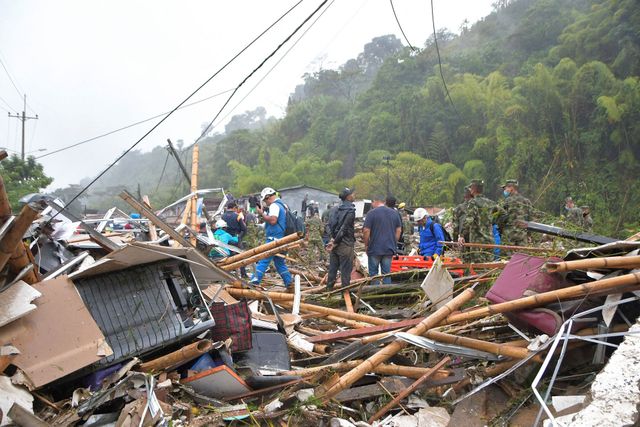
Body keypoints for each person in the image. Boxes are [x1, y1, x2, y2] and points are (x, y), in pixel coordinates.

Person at [250, 187, 293, 290]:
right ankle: (289, 283)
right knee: (279, 263)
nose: (265, 203)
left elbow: (273, 220)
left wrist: (262, 214)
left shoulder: (274, 206)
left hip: (274, 239)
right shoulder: (283, 205)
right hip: (281, 238)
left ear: (268, 197)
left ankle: (254, 282)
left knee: (264, 260)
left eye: (265, 200)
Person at [363, 196, 402, 284]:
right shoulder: (394, 213)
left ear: (375, 201)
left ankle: (376, 294)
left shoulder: (371, 213)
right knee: (386, 274)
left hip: (374, 249)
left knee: (374, 274)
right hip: (388, 248)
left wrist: (366, 245)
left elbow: (366, 230)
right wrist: (393, 242)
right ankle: (386, 293)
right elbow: (399, 230)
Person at [325, 188, 356, 291]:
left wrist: (332, 240)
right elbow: (344, 229)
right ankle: (345, 297)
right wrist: (335, 242)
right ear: (348, 196)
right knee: (345, 273)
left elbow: (328, 226)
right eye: (352, 194)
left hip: (335, 243)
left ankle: (328, 293)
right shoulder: (350, 210)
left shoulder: (334, 209)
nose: (354, 195)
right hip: (345, 244)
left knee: (332, 271)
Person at [460, 179, 498, 263]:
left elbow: (469, 220)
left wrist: (461, 235)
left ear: (473, 189)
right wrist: (493, 221)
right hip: (490, 240)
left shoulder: (473, 203)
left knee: (479, 267)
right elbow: (502, 214)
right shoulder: (491, 203)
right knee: (488, 266)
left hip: (477, 242)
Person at [496, 179, 533, 247]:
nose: (505, 190)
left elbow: (501, 218)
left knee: (507, 257)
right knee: (522, 256)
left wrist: (500, 231)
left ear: (511, 188)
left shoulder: (506, 202)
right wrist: (529, 235)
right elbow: (530, 219)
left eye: (506, 188)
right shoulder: (526, 201)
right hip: (522, 235)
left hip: (509, 235)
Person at [222, 200, 248, 276]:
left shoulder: (222, 216)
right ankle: (243, 274)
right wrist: (240, 237)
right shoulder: (237, 216)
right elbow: (244, 229)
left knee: (227, 256)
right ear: (234, 208)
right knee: (240, 256)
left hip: (225, 239)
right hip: (235, 238)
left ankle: (227, 274)